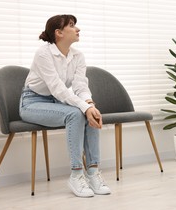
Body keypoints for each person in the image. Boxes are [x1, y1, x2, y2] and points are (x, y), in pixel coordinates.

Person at [19, 14, 111, 198]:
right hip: (32, 102)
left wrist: (90, 105)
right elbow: (58, 88)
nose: (77, 29)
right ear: (59, 32)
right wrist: (84, 107)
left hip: (56, 102)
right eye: (71, 25)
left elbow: (80, 87)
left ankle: (92, 172)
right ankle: (76, 174)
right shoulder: (44, 53)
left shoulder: (78, 56)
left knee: (89, 112)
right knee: (76, 114)